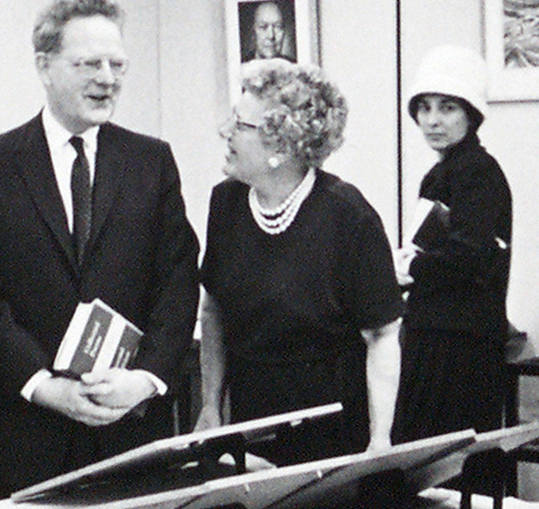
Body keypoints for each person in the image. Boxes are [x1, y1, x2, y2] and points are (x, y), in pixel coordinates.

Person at [0, 0, 201, 501]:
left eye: (117, 64)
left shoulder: (151, 162)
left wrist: (147, 378)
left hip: (128, 431)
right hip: (22, 436)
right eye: (89, 63)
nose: (107, 79)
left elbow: (178, 282)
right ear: (44, 67)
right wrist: (45, 386)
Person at [197, 60, 403, 464]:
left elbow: (382, 336)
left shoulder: (349, 216)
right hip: (250, 417)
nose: (226, 133)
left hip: (332, 427)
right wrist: (210, 405)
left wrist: (380, 440)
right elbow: (214, 310)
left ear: (281, 146)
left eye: (240, 125)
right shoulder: (226, 203)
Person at [391, 46, 513, 442]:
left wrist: (407, 268)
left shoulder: (477, 173)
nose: (432, 121)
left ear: (470, 114)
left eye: (447, 108)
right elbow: (433, 250)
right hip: (437, 333)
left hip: (459, 345)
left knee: (446, 463)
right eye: (424, 108)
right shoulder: (446, 173)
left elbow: (468, 258)